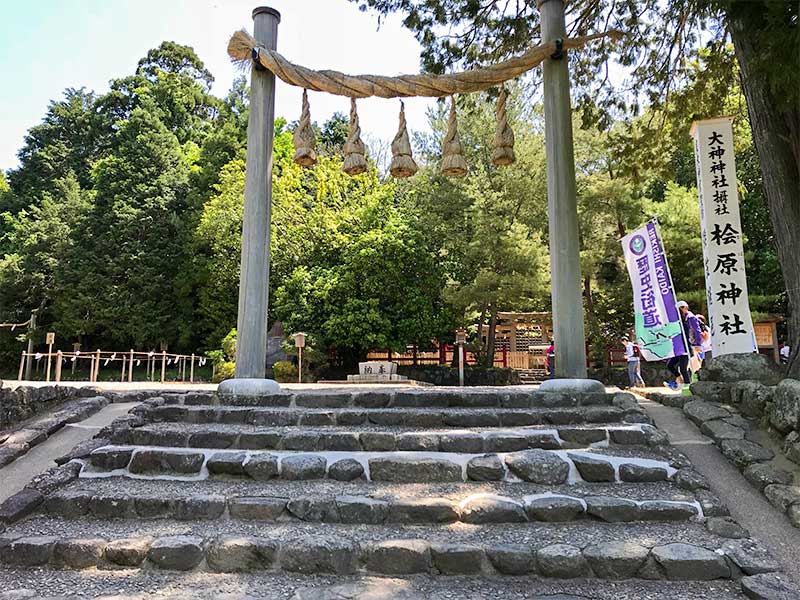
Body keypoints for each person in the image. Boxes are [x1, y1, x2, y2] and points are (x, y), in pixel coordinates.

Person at [664, 300, 703, 390]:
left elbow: (696, 331)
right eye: (678, 309)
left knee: (685, 369)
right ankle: (680, 382)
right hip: (678, 347)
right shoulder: (678, 320)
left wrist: (698, 344)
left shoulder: (690, 318)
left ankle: (687, 387)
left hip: (687, 346)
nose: (679, 310)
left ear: (686, 307)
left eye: (681, 308)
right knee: (671, 365)